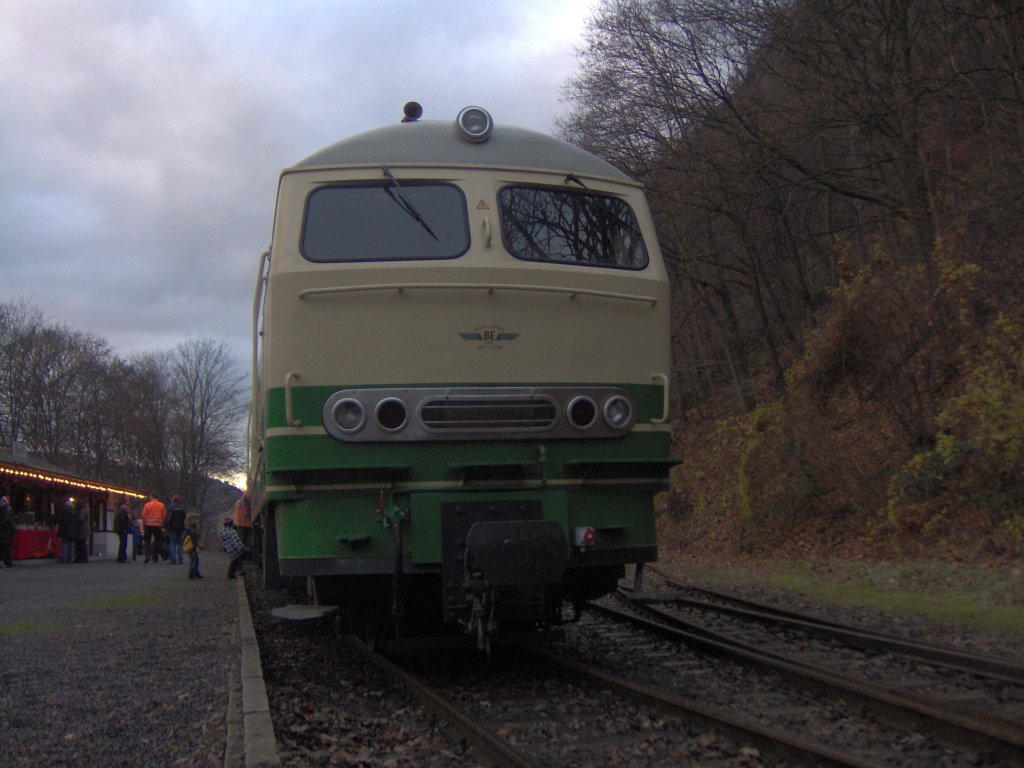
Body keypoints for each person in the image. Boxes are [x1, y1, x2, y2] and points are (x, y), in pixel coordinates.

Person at [141, 492, 166, 563]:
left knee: (147, 541)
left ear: (152, 496)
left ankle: (147, 556)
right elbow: (163, 516)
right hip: (158, 526)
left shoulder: (147, 505)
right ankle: (155, 557)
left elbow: (144, 516)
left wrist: (143, 526)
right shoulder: (161, 505)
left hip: (148, 525)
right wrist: (162, 525)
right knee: (157, 541)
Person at [164, 494, 187, 565]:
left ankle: (173, 560)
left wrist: (166, 527)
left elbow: (167, 519)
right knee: (180, 544)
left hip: (172, 529)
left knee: (172, 544)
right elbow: (184, 519)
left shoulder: (170, 508)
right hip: (181, 528)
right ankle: (180, 560)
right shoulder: (183, 508)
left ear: (173, 500)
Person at [183, 511, 203, 580]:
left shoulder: (192, 528)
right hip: (191, 547)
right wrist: (197, 546)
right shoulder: (191, 529)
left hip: (191, 547)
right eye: (195, 519)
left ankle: (196, 573)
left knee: (195, 560)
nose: (197, 521)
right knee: (194, 560)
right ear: (190, 520)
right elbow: (193, 539)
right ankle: (192, 574)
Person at [58, 498, 77, 563]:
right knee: (71, 545)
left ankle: (64, 559)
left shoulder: (64, 510)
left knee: (65, 545)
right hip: (73, 530)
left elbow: (61, 519)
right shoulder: (74, 511)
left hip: (65, 530)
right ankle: (70, 559)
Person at [73, 498, 90, 563]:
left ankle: (81, 558)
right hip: (85, 530)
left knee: (81, 545)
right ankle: (84, 558)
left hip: (82, 530)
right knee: (83, 544)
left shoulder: (83, 510)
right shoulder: (87, 509)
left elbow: (81, 519)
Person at [0, 495, 14, 568]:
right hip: (7, 532)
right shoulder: (6, 510)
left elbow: (5, 521)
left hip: (6, 532)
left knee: (6, 548)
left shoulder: (6, 510)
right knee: (5, 548)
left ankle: (8, 562)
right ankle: (7, 562)